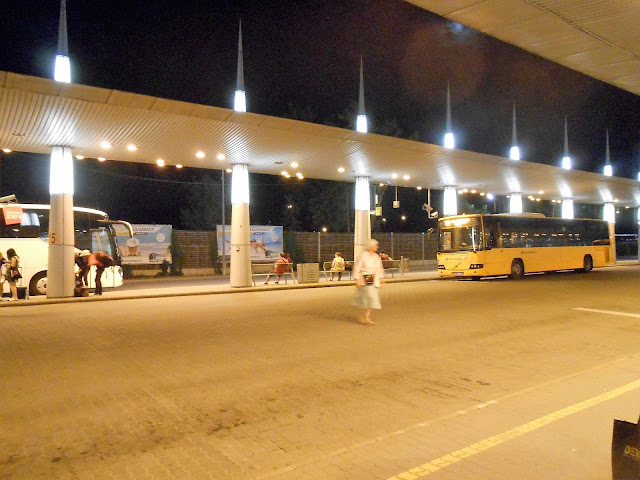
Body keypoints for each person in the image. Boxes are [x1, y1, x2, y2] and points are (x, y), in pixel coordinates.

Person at [351, 239, 385, 325]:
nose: (377, 247)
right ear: (370, 246)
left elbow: (379, 268)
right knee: (367, 299)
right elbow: (357, 267)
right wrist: (357, 279)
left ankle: (365, 316)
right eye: (375, 245)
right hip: (364, 280)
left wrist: (381, 278)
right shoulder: (362, 256)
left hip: (374, 280)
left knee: (372, 298)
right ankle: (364, 316)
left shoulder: (376, 256)